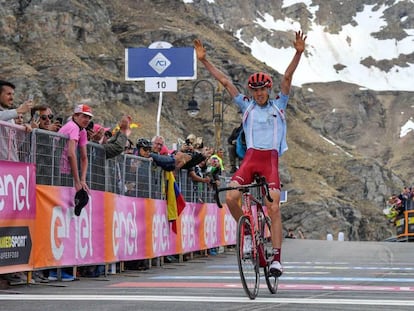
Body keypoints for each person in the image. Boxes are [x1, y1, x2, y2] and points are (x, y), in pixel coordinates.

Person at [194, 30, 307, 277]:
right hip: (251, 158)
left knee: (273, 208)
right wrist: (204, 61)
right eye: (255, 90)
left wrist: (297, 53)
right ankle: (247, 236)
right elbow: (225, 82)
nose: (258, 94)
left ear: (268, 89)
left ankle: (276, 259)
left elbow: (287, 76)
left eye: (262, 90)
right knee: (232, 198)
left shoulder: (279, 105)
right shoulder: (246, 106)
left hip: (270, 160)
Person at [58, 103, 93, 214]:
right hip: (56, 168)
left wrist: (82, 180)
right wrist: (77, 181)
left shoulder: (82, 131)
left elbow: (84, 158)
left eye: (89, 117)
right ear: (75, 116)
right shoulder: (73, 127)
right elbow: (71, 154)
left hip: (66, 170)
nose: (87, 119)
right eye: (84, 116)